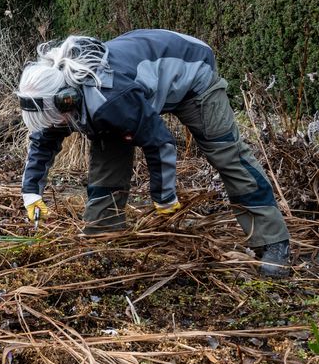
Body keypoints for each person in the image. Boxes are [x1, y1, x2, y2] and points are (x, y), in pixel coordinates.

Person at [17, 30, 292, 277]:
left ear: (68, 98)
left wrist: (164, 196)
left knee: (226, 153)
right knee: (107, 151)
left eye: (56, 118)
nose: (54, 125)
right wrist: (31, 192)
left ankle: (273, 241)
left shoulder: (110, 97)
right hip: (139, 89)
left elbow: (159, 141)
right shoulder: (54, 97)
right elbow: (44, 138)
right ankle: (103, 234)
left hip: (192, 72)